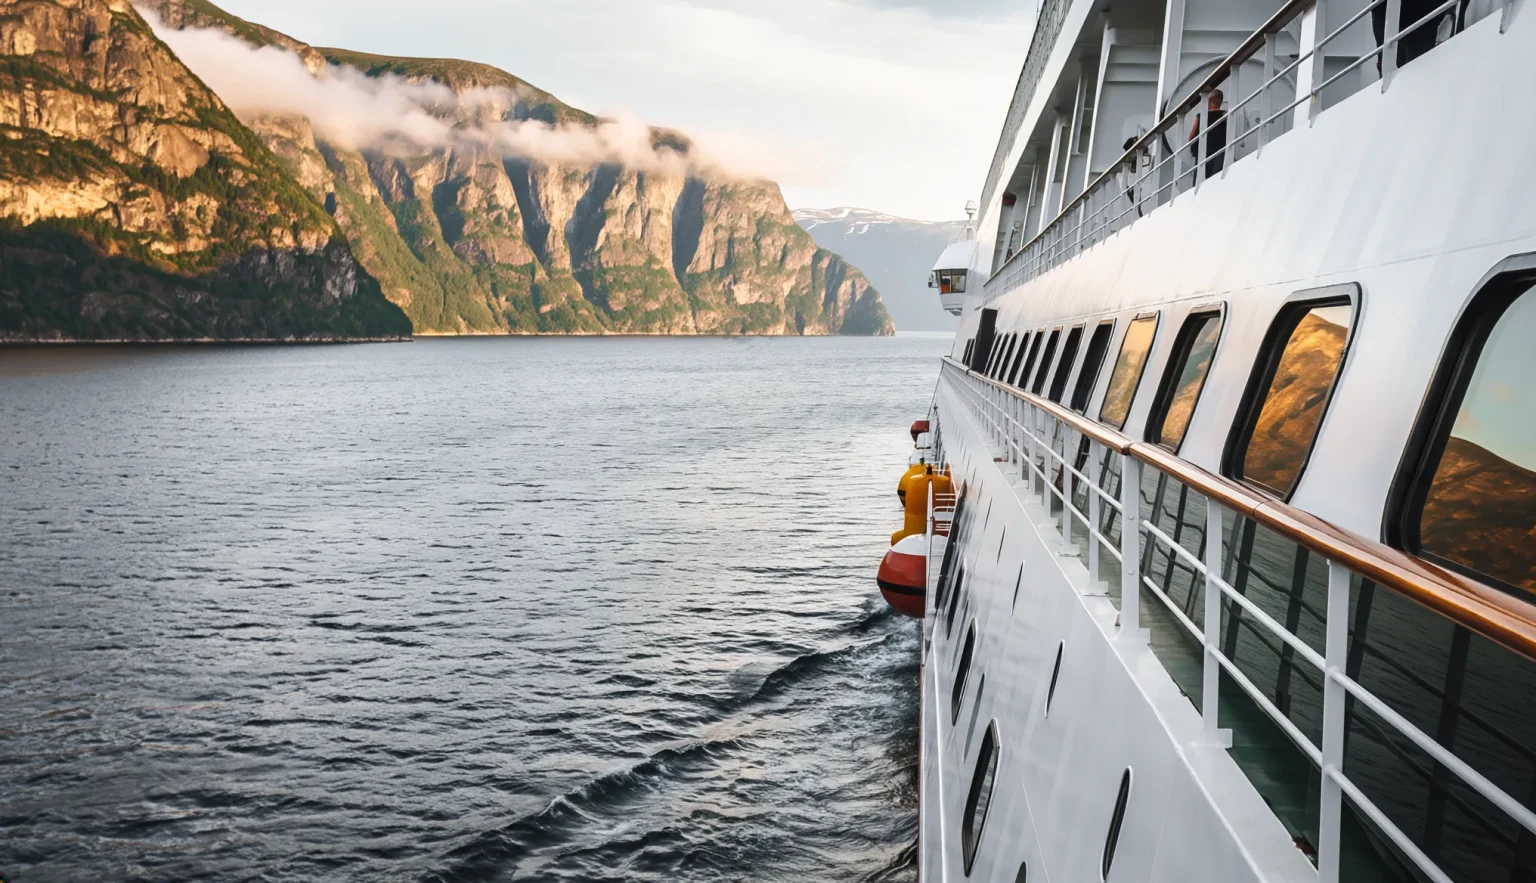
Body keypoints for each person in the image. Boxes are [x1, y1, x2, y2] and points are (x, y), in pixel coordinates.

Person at [1187, 90, 1228, 181]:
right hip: (1220, 152)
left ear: (1210, 100)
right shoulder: (1224, 115)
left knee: (1200, 179)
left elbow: (1191, 136)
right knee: (1217, 178)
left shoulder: (1201, 116)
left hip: (1202, 153)